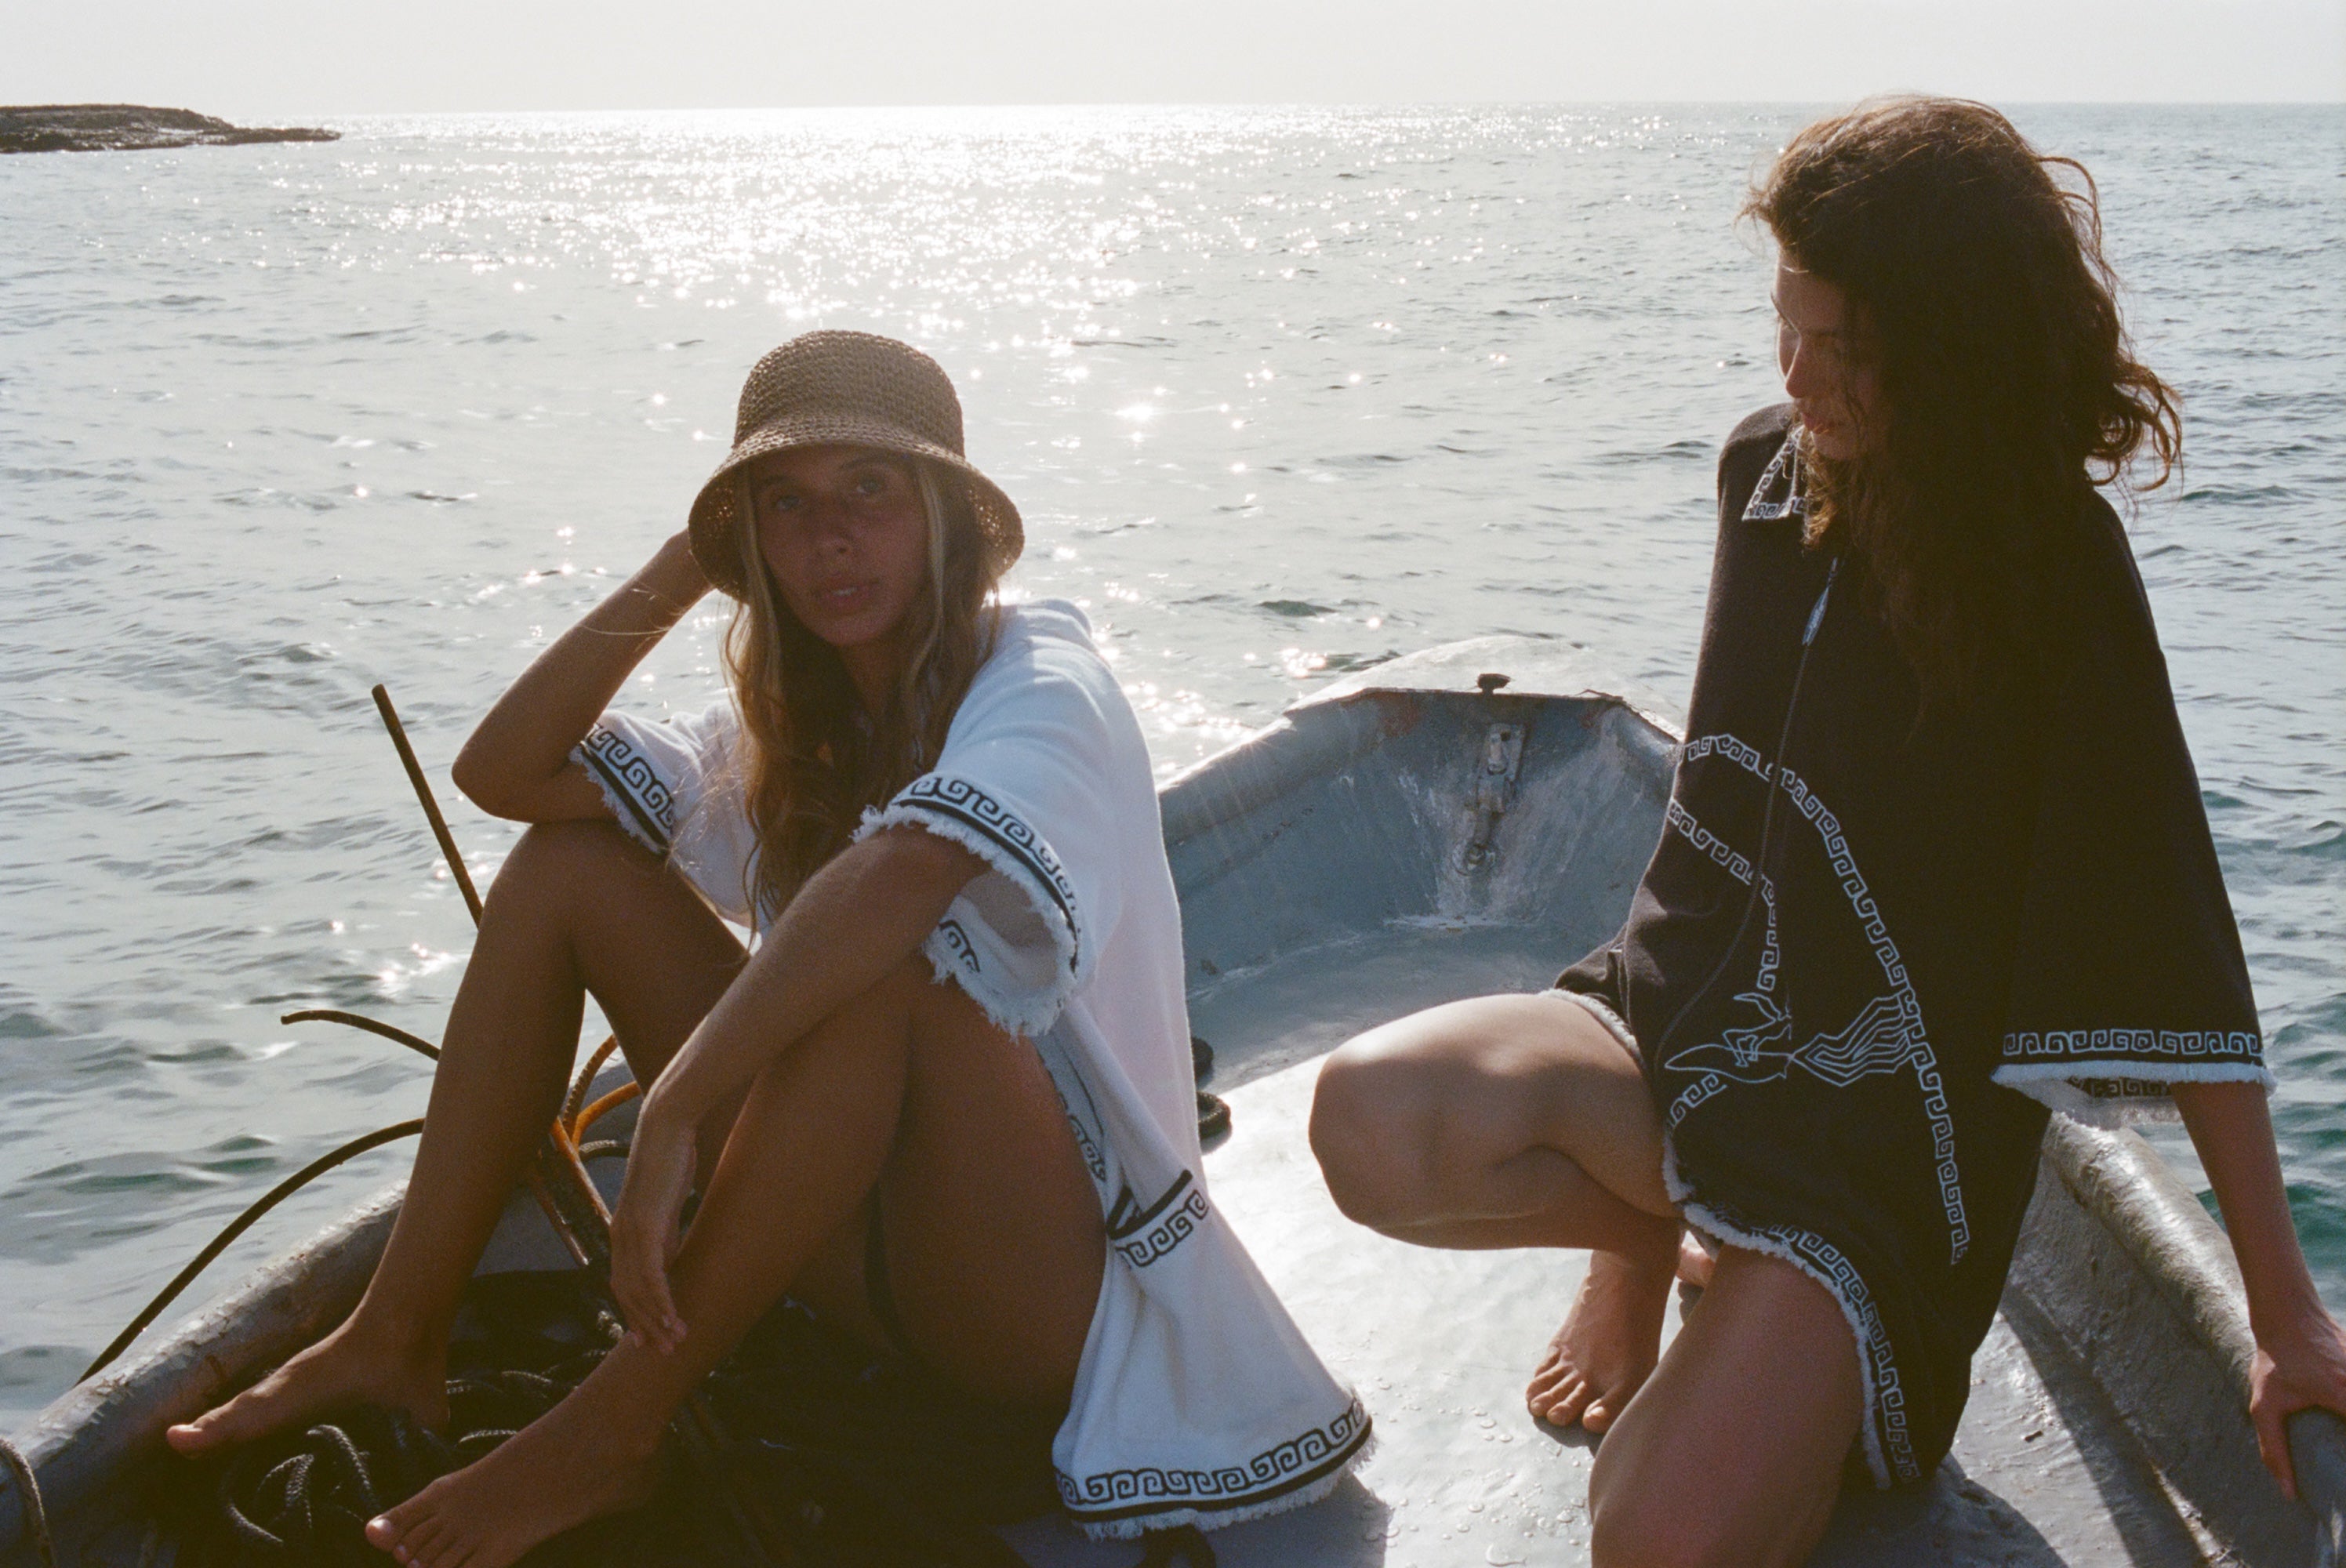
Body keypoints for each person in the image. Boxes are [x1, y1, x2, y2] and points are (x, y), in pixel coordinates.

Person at [1307, 98, 2346, 1566]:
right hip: (1688, 1028)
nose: (1801, 373)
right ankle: (1652, 1246)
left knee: (1653, 1537)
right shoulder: (1765, 475)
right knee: (1372, 1122)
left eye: (1848, 346)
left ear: (1958, 345)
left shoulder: (2054, 568)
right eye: (1788, 325)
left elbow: (2168, 924)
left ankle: (1773, 1307)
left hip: (1879, 1145)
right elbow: (1724, 804)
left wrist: (2286, 1312)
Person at [165, 330, 1367, 1567]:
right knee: (570, 870)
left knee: (893, 955)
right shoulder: (787, 730)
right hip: (846, 1262)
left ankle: (615, 1430)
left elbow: (905, 877)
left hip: (1037, 1301)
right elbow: (505, 775)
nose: (828, 538)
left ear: (945, 516)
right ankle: (398, 1327)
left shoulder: (1044, 678)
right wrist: (695, 557)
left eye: (870, 493)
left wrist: (679, 1106)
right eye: (785, 507)